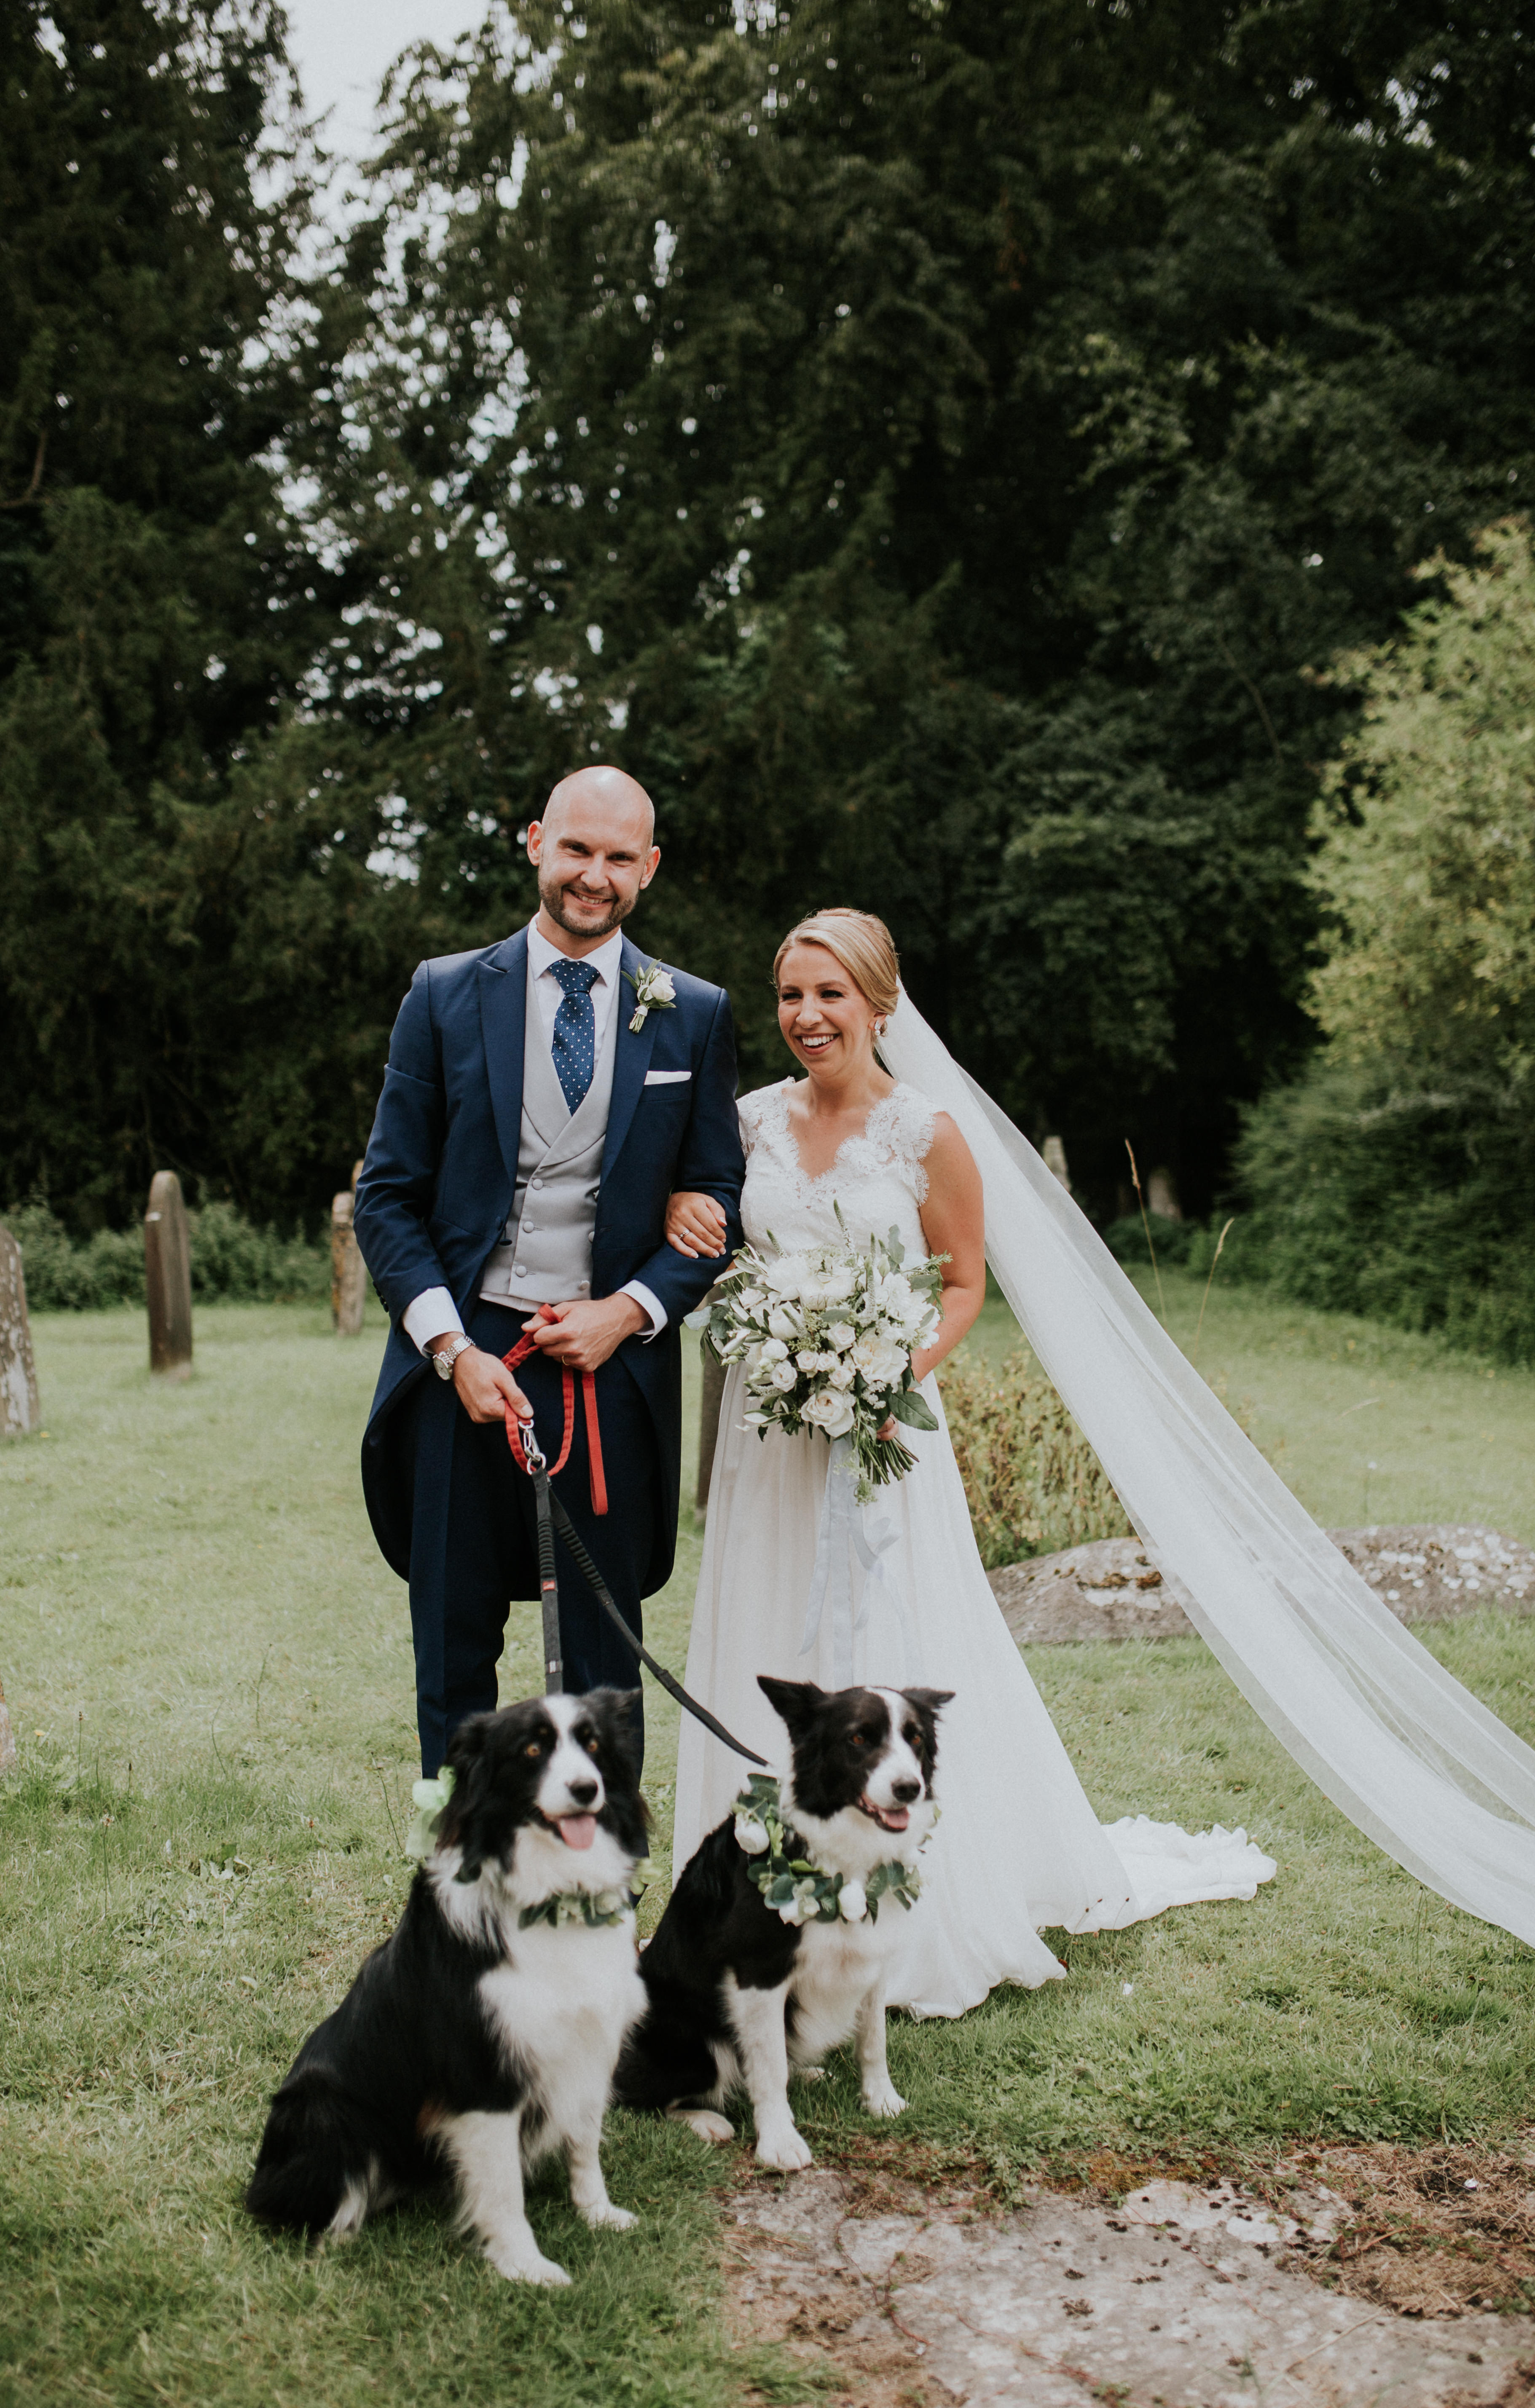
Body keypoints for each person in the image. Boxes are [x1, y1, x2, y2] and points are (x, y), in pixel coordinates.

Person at [664, 909, 1272, 2020]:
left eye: (829, 996)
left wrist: (888, 1376)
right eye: (791, 996)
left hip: (882, 1431)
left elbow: (960, 1283)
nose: (805, 1017)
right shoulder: (748, 1121)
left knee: (890, 1638)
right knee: (765, 1629)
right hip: (768, 1434)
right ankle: (758, 1896)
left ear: (878, 1005)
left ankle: (907, 1907)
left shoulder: (924, 1132)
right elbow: (715, 1232)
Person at [352, 767, 745, 1776]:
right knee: (453, 1635)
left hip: (607, 1371)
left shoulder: (692, 1014)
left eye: (620, 857)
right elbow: (390, 1195)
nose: (594, 875)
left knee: (602, 1661)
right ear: (536, 841)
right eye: (577, 848)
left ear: (648, 868)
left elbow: (717, 1201)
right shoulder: (442, 995)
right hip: (468, 1353)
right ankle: (461, 1886)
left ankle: (598, 1892)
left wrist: (630, 1309)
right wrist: (448, 1347)